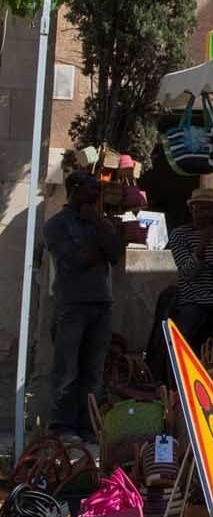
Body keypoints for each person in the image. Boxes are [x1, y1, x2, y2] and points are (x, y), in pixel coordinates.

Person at [41, 171, 125, 434]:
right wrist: (100, 249)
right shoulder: (56, 225)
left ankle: (88, 425)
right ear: (75, 189)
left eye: (98, 189)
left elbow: (115, 254)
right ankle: (62, 426)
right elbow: (75, 262)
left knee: (94, 370)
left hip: (102, 304)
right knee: (67, 370)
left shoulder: (99, 223)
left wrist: (98, 223)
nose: (96, 194)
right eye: (91, 189)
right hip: (72, 305)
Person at [168, 191, 213, 356]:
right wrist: (202, 245)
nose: (205, 214)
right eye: (200, 208)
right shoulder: (180, 235)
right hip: (192, 298)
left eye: (210, 209)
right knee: (181, 339)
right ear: (191, 209)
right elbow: (187, 273)